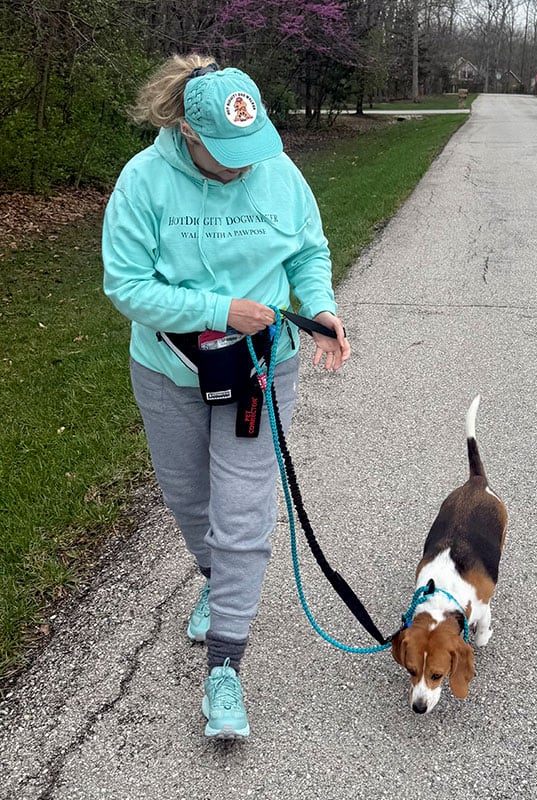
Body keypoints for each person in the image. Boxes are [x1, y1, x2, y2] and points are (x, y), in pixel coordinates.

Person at [102, 53, 350, 740]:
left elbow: (308, 248)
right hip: (169, 370)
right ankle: (215, 578)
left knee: (241, 511)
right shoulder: (144, 183)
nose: (245, 166)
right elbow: (126, 286)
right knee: (189, 499)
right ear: (188, 132)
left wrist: (321, 306)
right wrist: (219, 306)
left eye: (252, 149)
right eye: (228, 154)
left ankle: (224, 670)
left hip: (262, 368)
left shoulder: (277, 171)